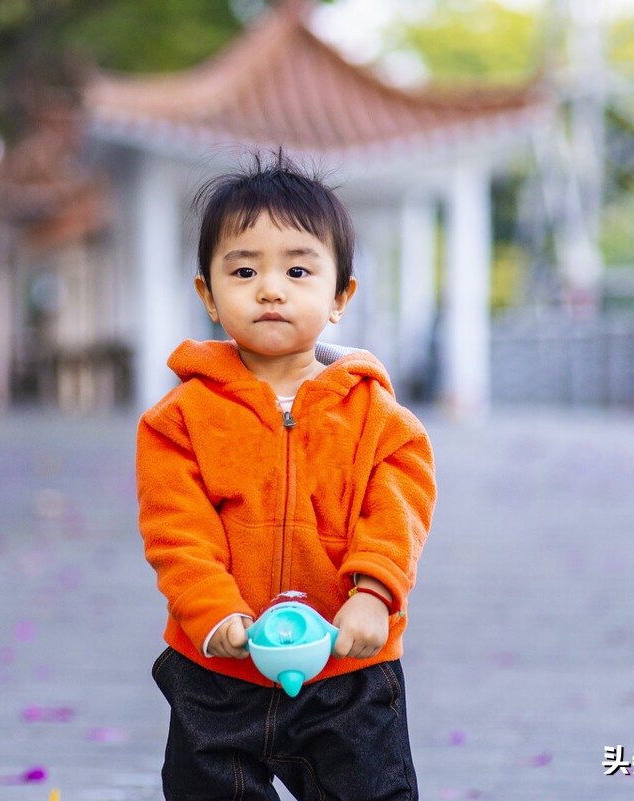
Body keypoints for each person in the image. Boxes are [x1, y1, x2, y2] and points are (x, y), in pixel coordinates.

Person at [136, 151, 436, 800]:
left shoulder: (378, 416)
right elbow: (176, 531)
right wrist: (214, 614)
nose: (270, 288)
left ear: (339, 296)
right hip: (219, 665)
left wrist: (373, 593)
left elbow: (396, 514)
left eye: (298, 269)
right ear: (209, 296)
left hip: (346, 667)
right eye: (243, 270)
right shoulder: (177, 419)